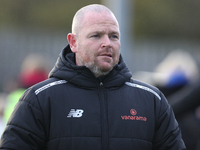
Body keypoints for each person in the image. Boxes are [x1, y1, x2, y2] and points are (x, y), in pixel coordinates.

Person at [0, 4, 186, 150]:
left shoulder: (152, 100)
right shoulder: (40, 99)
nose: (107, 43)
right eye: (96, 35)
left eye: (113, 36)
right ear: (73, 42)